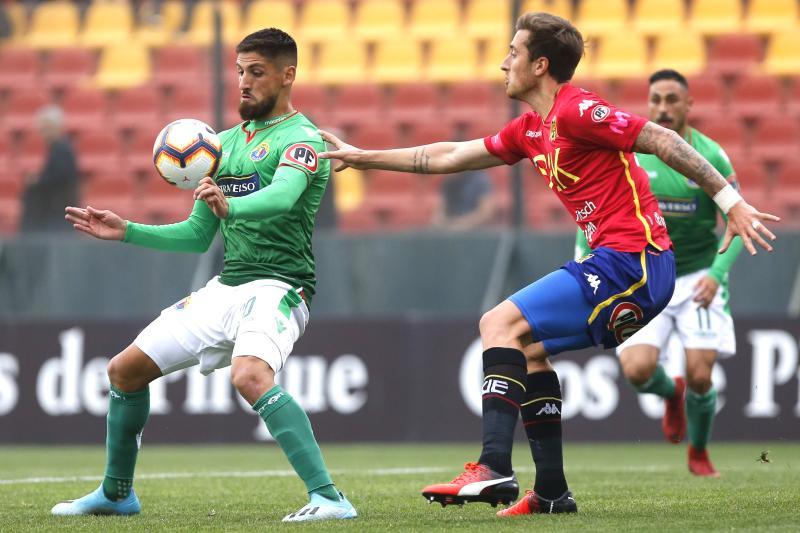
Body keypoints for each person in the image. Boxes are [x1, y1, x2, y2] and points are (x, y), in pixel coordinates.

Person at [319, 12, 777, 518]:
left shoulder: (579, 110)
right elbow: (448, 156)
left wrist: (730, 201)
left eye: (512, 54)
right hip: (623, 264)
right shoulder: (530, 128)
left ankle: (494, 466)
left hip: (635, 262)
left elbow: (662, 140)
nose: (502, 64)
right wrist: (364, 157)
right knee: (529, 350)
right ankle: (553, 493)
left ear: (539, 65)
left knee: (497, 323)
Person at [54, 28, 357, 523]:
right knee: (123, 371)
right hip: (228, 286)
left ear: (288, 75)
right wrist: (126, 230)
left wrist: (231, 204)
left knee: (250, 375)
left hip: (280, 286)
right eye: (239, 71)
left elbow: (282, 196)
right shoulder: (222, 144)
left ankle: (329, 497)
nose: (243, 83)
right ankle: (116, 493)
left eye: (256, 72)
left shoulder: (302, 140)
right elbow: (198, 234)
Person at [575, 69, 743, 477]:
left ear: (689, 105)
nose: (663, 109)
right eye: (656, 100)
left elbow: (738, 222)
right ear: (647, 103)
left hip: (696, 277)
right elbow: (595, 213)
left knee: (702, 373)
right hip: (645, 273)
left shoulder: (710, 156)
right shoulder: (631, 153)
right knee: (636, 371)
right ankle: (672, 393)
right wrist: (584, 261)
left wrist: (716, 274)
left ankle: (699, 453)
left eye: (672, 100)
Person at [19, 105, 80, 233]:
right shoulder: (57, 148)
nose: (44, 133)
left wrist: (37, 180)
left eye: (47, 128)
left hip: (57, 213)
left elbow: (58, 177)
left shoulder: (61, 149)